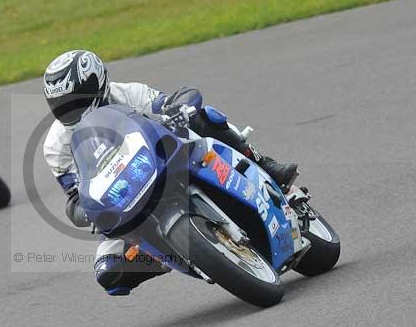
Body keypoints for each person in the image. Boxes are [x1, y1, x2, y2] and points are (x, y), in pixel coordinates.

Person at [42, 49, 298, 296]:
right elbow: (74, 196)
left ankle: (263, 164)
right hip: (123, 197)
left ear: (98, 85)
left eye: (76, 102)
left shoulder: (128, 93)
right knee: (109, 273)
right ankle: (172, 254)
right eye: (62, 106)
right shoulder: (56, 145)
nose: (71, 111)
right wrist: (87, 213)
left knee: (205, 116)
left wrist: (180, 108)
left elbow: (171, 102)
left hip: (168, 159)